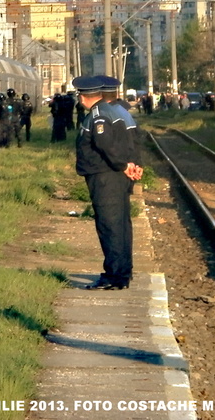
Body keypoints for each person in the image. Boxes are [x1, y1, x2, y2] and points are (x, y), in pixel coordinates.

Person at [73, 75, 143, 291]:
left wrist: (123, 165)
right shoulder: (115, 111)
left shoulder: (98, 115)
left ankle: (113, 276)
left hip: (104, 178)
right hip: (114, 176)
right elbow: (129, 142)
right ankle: (122, 272)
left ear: (83, 97)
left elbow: (105, 144)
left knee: (110, 225)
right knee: (120, 224)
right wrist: (131, 165)